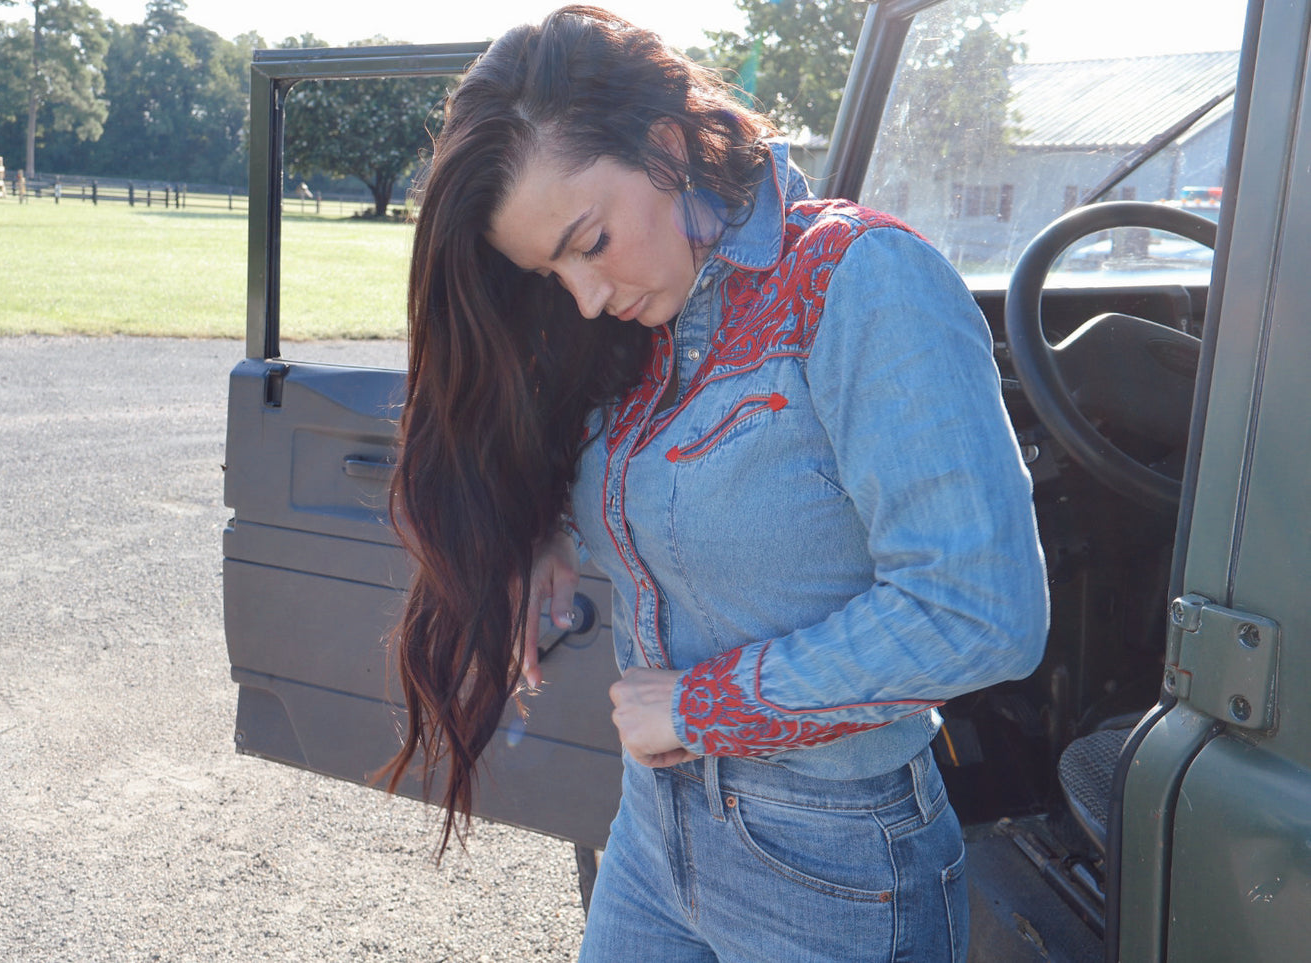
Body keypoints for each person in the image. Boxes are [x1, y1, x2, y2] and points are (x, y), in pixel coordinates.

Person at [381, 6, 1049, 960]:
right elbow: (621, 464)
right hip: (655, 828)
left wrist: (702, 707)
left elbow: (979, 610)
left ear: (665, 148)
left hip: (837, 862)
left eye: (588, 240)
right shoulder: (639, 319)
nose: (585, 293)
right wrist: (550, 535)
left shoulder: (861, 281)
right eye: (551, 270)